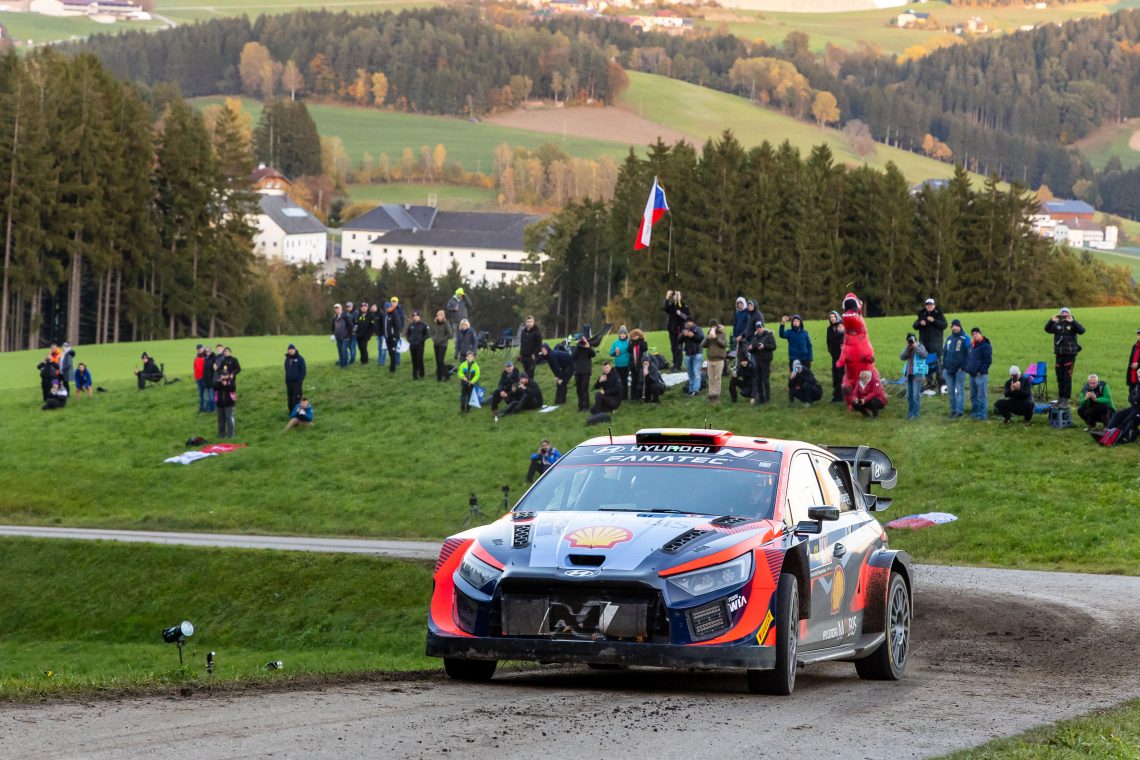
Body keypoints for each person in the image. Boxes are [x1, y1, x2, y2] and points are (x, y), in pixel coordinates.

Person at [1045, 307, 1085, 408]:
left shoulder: (1073, 324)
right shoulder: (1057, 324)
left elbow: (1082, 331)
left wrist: (1073, 321)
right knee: (1060, 377)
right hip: (1059, 355)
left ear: (1069, 314)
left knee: (1067, 378)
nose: (1064, 315)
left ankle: (1065, 400)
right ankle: (1060, 398)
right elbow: (1047, 329)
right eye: (1062, 314)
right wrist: (1051, 320)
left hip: (1070, 355)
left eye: (1066, 314)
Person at [913, 298, 948, 393]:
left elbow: (944, 325)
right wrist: (920, 323)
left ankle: (941, 383)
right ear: (925, 306)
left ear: (934, 305)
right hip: (925, 345)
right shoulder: (922, 315)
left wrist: (934, 320)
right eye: (927, 304)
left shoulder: (939, 314)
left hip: (936, 345)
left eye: (931, 304)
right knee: (927, 364)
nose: (929, 306)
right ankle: (929, 383)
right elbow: (914, 326)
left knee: (938, 365)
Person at [942, 319, 970, 419]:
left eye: (955, 326)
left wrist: (963, 367)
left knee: (959, 390)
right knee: (950, 391)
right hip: (948, 369)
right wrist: (944, 367)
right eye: (952, 326)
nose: (954, 328)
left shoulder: (965, 338)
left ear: (959, 326)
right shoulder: (949, 338)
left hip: (959, 370)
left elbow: (968, 354)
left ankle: (960, 411)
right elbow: (945, 353)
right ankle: (953, 410)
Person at [964, 327, 992, 421]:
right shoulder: (972, 346)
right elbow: (969, 358)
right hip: (972, 375)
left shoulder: (986, 345)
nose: (975, 335)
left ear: (980, 334)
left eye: (976, 333)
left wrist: (981, 371)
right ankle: (974, 413)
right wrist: (968, 369)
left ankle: (982, 415)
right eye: (973, 334)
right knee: (973, 396)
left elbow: (988, 360)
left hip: (981, 375)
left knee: (981, 396)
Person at [748, 318, 777, 405]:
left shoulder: (769, 336)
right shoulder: (755, 337)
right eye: (757, 327)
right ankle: (761, 399)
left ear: (763, 327)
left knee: (765, 380)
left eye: (760, 327)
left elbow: (773, 346)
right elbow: (752, 349)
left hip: (766, 360)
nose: (759, 328)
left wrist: (764, 346)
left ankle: (767, 399)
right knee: (758, 380)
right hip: (757, 361)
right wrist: (750, 348)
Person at [900, 333, 929, 420]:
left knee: (915, 395)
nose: (910, 342)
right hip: (908, 374)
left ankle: (915, 414)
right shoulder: (908, 348)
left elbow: (925, 355)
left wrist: (916, 347)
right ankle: (910, 413)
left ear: (915, 340)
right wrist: (907, 349)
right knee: (909, 395)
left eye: (912, 340)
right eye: (909, 341)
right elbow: (902, 357)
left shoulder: (920, 346)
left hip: (917, 374)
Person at [662, 290, 691, 371]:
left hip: (680, 330)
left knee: (679, 348)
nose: (676, 296)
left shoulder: (684, 306)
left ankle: (678, 365)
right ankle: (675, 364)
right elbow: (664, 308)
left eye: (678, 295)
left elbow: (687, 318)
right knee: (673, 348)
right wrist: (667, 297)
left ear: (680, 297)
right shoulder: (671, 305)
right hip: (672, 330)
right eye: (675, 295)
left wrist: (680, 314)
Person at [702, 319, 728, 404]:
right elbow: (703, 345)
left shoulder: (722, 334)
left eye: (714, 326)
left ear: (717, 326)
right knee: (711, 378)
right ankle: (711, 394)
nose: (713, 327)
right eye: (711, 326)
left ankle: (716, 395)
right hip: (710, 360)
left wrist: (716, 338)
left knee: (717, 378)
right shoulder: (708, 334)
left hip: (719, 360)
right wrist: (708, 338)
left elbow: (724, 344)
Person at [680, 318, 704, 397]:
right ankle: (690, 390)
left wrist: (693, 336)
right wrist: (683, 335)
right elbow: (679, 341)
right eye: (687, 324)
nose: (688, 325)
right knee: (690, 373)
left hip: (697, 353)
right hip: (688, 354)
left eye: (689, 323)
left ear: (693, 323)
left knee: (696, 372)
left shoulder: (698, 329)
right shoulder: (684, 330)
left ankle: (696, 390)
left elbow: (701, 338)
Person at [572, 335, 596, 412]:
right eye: (581, 340)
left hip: (586, 371)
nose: (582, 341)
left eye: (584, 339)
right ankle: (580, 405)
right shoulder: (576, 348)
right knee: (578, 389)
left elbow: (593, 354)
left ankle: (586, 406)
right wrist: (577, 346)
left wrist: (588, 347)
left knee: (584, 388)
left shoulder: (588, 347)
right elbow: (573, 356)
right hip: (577, 370)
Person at [825, 310, 844, 402]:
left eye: (834, 317)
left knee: (841, 376)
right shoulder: (829, 329)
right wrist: (830, 350)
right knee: (835, 376)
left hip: (842, 356)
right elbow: (828, 341)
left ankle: (842, 395)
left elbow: (845, 339)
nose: (832, 319)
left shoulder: (841, 327)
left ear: (837, 317)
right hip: (834, 356)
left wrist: (841, 332)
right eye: (831, 317)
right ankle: (836, 395)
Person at [626, 328, 650, 399]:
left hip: (640, 365)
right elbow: (629, 350)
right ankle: (633, 396)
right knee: (633, 381)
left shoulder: (643, 342)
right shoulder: (630, 342)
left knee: (640, 380)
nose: (635, 337)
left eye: (637, 335)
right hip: (633, 365)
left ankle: (640, 395)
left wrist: (639, 341)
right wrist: (634, 342)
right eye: (634, 335)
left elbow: (645, 348)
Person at [214, 367, 237, 438]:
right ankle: (221, 433)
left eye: (226, 375)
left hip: (229, 403)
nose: (224, 376)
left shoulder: (231, 381)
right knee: (220, 419)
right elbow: (215, 387)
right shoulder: (218, 382)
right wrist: (220, 382)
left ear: (228, 375)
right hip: (219, 404)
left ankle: (231, 434)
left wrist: (226, 385)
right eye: (223, 375)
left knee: (228, 417)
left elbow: (233, 388)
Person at [406, 311, 430, 380]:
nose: (415, 317)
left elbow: (427, 334)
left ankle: (421, 374)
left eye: (417, 316)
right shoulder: (411, 325)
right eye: (414, 316)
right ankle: (414, 375)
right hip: (412, 345)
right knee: (414, 360)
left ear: (419, 317)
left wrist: (422, 340)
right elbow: (407, 333)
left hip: (420, 345)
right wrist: (409, 340)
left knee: (419, 359)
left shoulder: (423, 324)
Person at [609, 325, 631, 399]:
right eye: (621, 333)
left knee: (625, 381)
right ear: (619, 334)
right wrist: (615, 353)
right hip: (618, 365)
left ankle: (625, 396)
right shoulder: (615, 343)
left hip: (626, 365)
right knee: (618, 381)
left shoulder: (628, 342)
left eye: (624, 333)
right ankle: (619, 395)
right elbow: (611, 352)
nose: (622, 335)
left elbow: (631, 352)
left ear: (626, 334)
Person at [430, 310, 453, 381]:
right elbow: (431, 332)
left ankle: (447, 376)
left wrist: (442, 339)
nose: (438, 317)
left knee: (440, 360)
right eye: (438, 315)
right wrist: (433, 338)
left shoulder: (446, 323)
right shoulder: (435, 323)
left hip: (443, 345)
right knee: (437, 361)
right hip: (436, 344)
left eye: (440, 315)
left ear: (443, 316)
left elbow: (450, 334)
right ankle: (439, 377)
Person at [284, 343, 306, 415]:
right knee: (290, 397)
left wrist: (300, 381)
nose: (291, 351)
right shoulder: (287, 359)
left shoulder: (300, 359)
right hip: (289, 382)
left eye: (292, 349)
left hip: (297, 382)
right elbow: (286, 370)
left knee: (297, 397)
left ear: (295, 350)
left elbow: (303, 371)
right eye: (289, 350)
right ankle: (291, 412)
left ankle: (297, 413)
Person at [518, 315, 542, 379]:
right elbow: (522, 343)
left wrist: (534, 354)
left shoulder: (537, 332)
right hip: (524, 356)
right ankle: (526, 385)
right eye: (528, 322)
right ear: (525, 322)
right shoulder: (523, 332)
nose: (529, 323)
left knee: (530, 373)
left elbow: (539, 345)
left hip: (532, 357)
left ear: (533, 322)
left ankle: (531, 384)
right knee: (526, 374)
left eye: (531, 322)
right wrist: (520, 354)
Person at [384, 299, 403, 372]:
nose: (387, 308)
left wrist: (395, 336)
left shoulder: (395, 314)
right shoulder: (386, 315)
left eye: (388, 307)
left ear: (391, 307)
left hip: (393, 338)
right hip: (387, 337)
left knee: (393, 352)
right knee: (390, 352)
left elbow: (398, 326)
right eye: (386, 307)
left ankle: (393, 368)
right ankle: (391, 366)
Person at [387, 297, 406, 368]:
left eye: (395, 302)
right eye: (392, 302)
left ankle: (397, 361)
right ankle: (393, 361)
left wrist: (400, 330)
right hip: (390, 332)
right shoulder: (389, 309)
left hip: (397, 331)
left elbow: (402, 321)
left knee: (396, 346)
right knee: (391, 347)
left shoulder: (400, 310)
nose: (393, 303)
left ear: (397, 303)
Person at [332, 303, 352, 368]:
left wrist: (347, 334)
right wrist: (334, 334)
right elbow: (333, 327)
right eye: (335, 308)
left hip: (345, 337)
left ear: (341, 308)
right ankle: (341, 364)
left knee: (344, 351)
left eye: (338, 308)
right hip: (338, 337)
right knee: (340, 351)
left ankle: (344, 365)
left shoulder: (346, 315)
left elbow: (350, 326)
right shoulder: (335, 317)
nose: (337, 309)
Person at [355, 300, 373, 365]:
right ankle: (362, 360)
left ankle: (365, 361)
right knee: (360, 348)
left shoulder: (370, 315)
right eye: (362, 307)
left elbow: (372, 327)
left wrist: (369, 335)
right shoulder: (359, 315)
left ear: (367, 307)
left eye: (364, 307)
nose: (363, 308)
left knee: (364, 348)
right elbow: (357, 324)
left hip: (365, 335)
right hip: (359, 335)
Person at [193, 345, 209, 412]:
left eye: (200, 348)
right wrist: (195, 377)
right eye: (198, 349)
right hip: (198, 378)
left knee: (207, 394)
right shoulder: (196, 358)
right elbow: (195, 368)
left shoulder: (206, 357)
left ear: (203, 349)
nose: (199, 350)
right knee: (201, 394)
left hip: (204, 378)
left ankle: (207, 408)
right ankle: (201, 408)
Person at [1127, 328, 1140, 406]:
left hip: (1139, 378)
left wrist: (1138, 365)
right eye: (1138, 334)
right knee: (1131, 398)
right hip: (1133, 377)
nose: (1139, 336)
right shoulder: (1135, 346)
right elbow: (1130, 360)